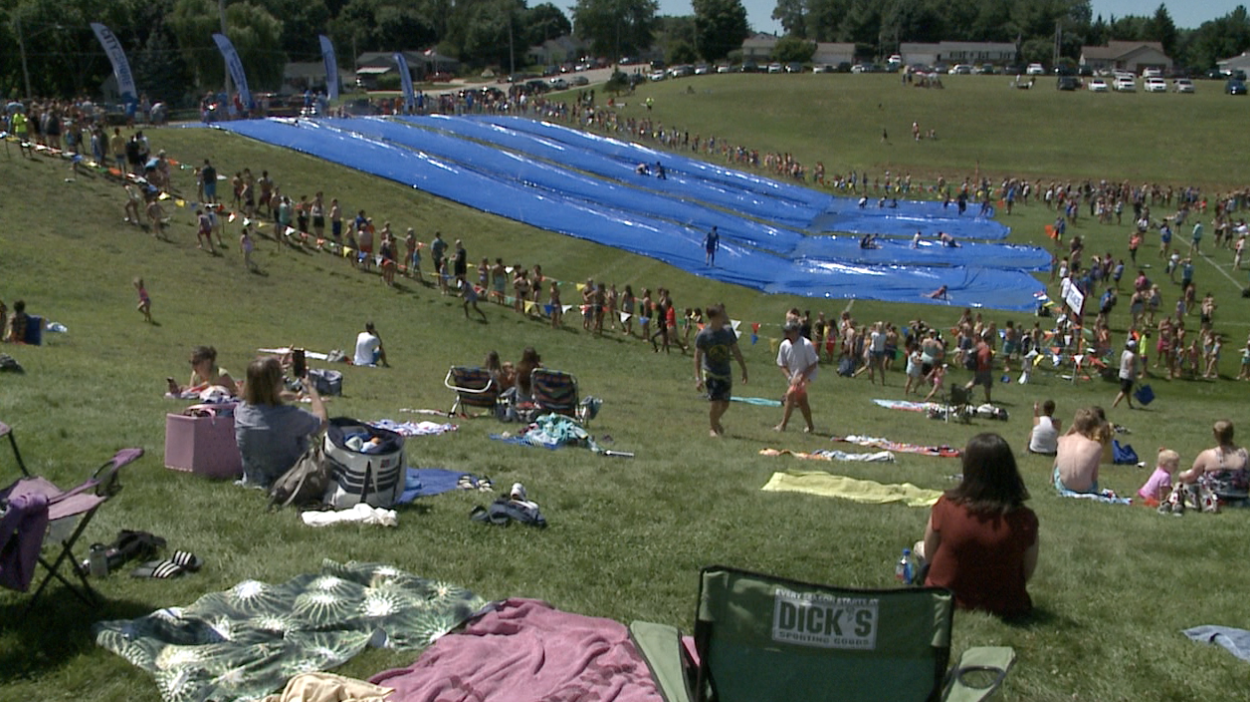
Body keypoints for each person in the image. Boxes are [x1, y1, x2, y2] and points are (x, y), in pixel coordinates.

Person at [919, 433, 1038, 619]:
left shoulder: (946, 506)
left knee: (919, 549)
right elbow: (1026, 572)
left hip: (946, 597)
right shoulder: (1025, 520)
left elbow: (929, 555)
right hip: (1007, 604)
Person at [234, 356, 328, 488]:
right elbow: (322, 422)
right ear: (277, 383)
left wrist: (271, 372)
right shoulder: (288, 415)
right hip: (289, 479)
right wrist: (311, 388)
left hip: (253, 479)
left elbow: (260, 393)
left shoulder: (240, 411)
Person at [694, 304, 748, 437]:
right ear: (713, 318)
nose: (724, 317)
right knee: (715, 401)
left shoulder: (728, 332)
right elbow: (697, 357)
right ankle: (712, 428)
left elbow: (736, 351)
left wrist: (743, 369)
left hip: (725, 372)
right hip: (711, 372)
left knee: (725, 402)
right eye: (721, 315)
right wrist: (697, 377)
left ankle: (715, 421)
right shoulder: (704, 335)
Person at [1177, 420, 1249, 502]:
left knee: (1190, 478)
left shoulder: (1207, 455)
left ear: (1215, 435)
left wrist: (1181, 475)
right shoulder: (1244, 454)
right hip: (1241, 497)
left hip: (1215, 498)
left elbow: (1191, 477)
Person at [1054, 407, 1110, 494]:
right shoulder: (1096, 447)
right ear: (1093, 427)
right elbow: (1094, 477)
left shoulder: (1062, 441)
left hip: (1064, 486)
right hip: (1086, 489)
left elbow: (1063, 439)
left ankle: (1052, 481)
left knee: (1059, 464)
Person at [775, 320, 818, 433]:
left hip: (808, 375)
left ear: (795, 332)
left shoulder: (806, 344)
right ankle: (811, 426)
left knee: (790, 394)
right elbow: (781, 364)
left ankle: (783, 425)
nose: (786, 335)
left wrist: (801, 377)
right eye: (785, 332)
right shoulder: (784, 345)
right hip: (794, 377)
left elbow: (813, 364)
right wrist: (790, 378)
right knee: (802, 401)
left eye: (788, 332)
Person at [1111, 339, 1141, 408]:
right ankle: (1115, 404)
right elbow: (1130, 367)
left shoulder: (1124, 353)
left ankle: (1130, 405)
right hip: (1128, 376)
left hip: (1122, 374)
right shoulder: (1131, 356)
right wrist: (1133, 377)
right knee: (1124, 391)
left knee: (1128, 391)